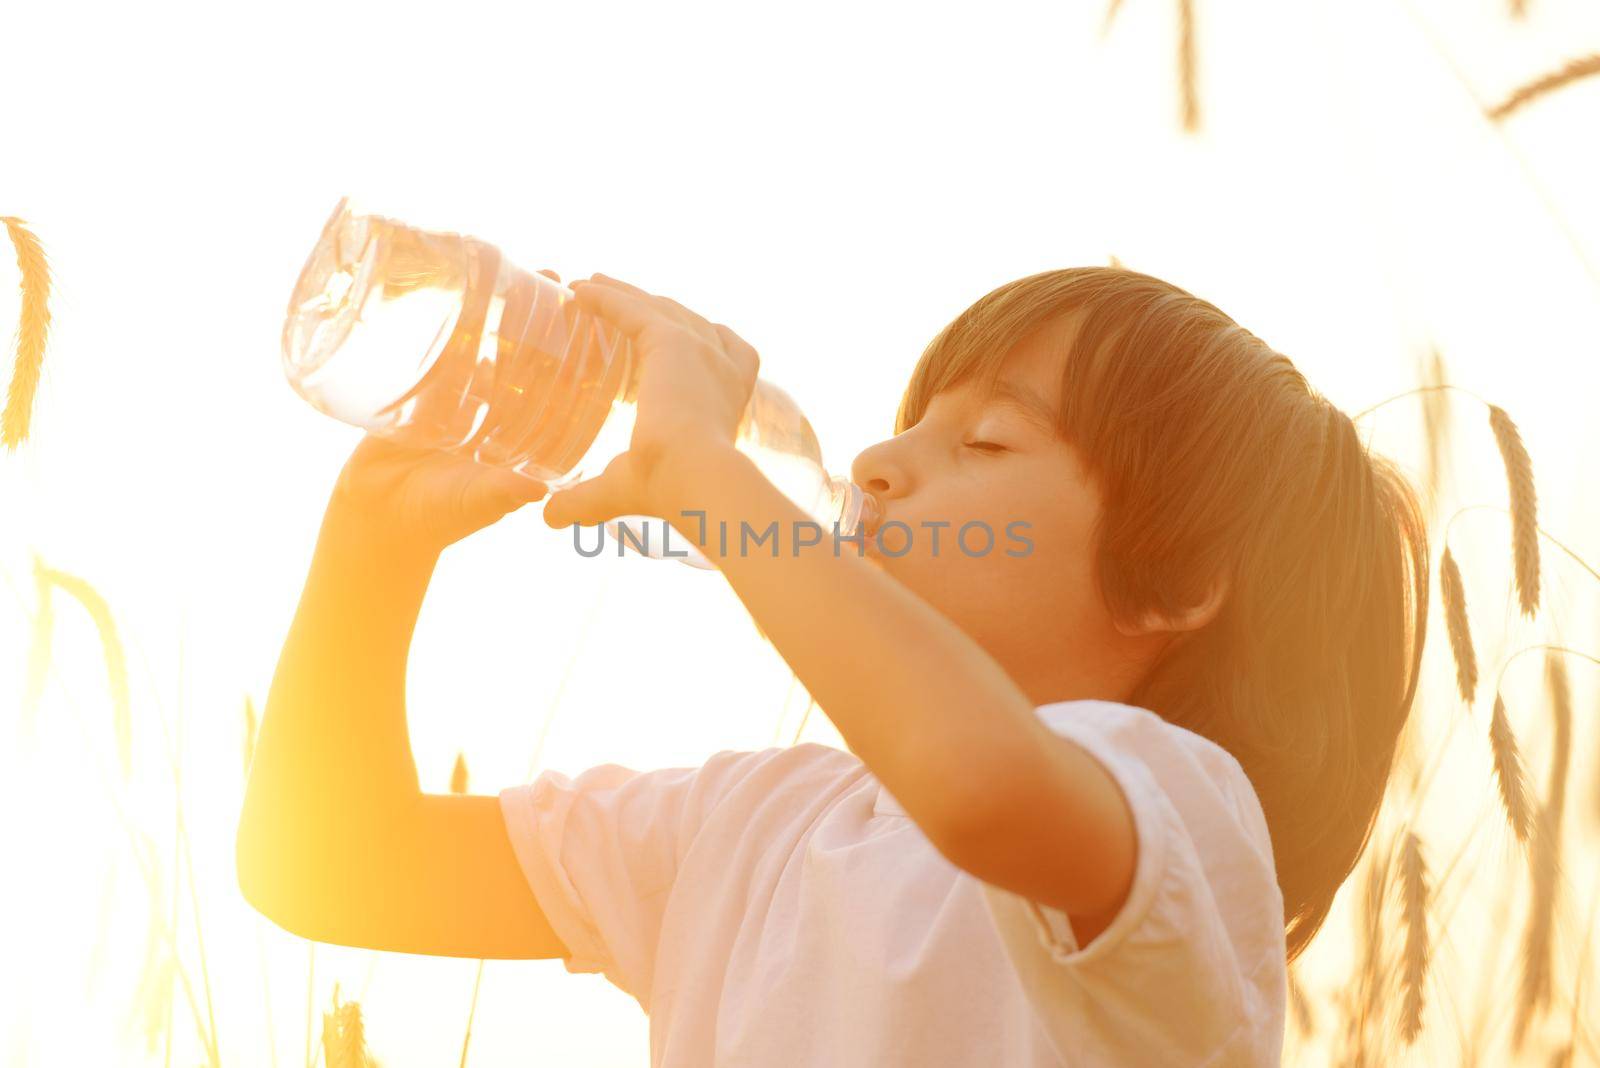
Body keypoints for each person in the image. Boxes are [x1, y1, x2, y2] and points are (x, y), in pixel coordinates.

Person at [237, 265, 1429, 1066]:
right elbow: (330, 865)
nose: (873, 462)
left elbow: (978, 782)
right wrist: (370, 548)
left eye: (985, 439)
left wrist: (706, 473)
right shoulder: (754, 823)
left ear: (1175, 582)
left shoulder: (1185, 818)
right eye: (907, 421)